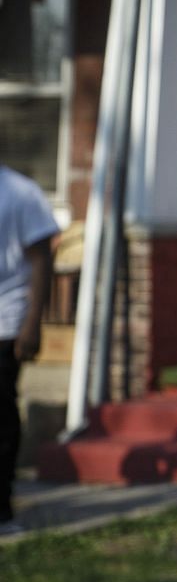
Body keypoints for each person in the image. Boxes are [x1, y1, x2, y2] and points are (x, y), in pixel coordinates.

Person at [0, 161, 57, 535]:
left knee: (1, 411)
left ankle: (1, 503)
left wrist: (32, 323)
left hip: (6, 320)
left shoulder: (19, 193)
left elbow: (41, 259)